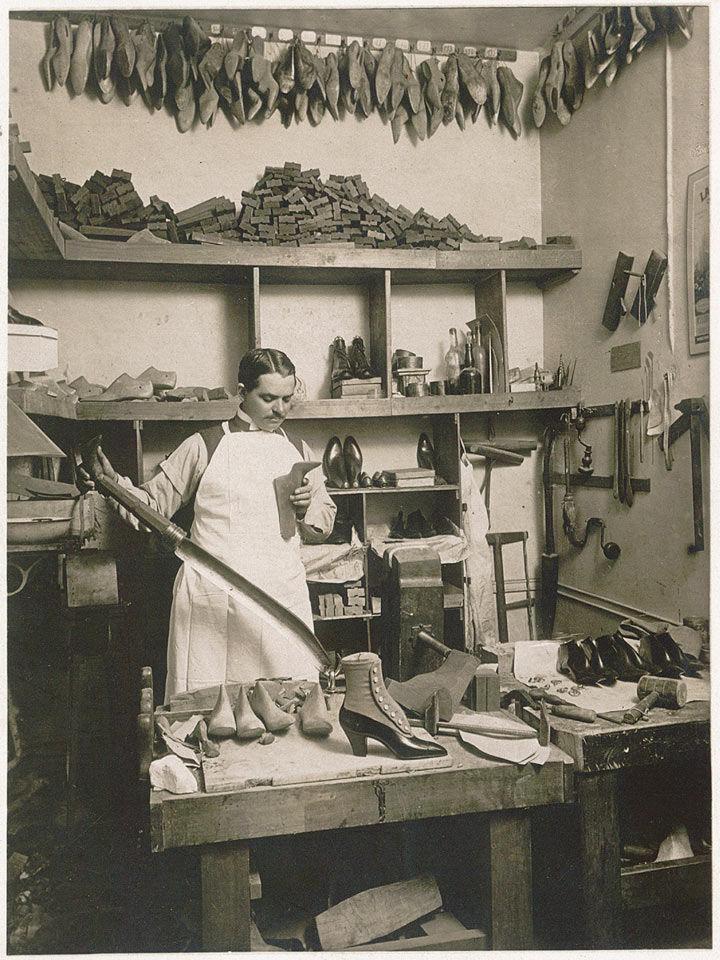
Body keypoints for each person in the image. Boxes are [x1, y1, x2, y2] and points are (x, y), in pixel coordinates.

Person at [83, 348, 336, 697]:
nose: (280, 409)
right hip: (212, 599)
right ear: (241, 392)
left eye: (287, 399)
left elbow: (324, 524)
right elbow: (152, 506)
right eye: (268, 398)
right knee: (207, 708)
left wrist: (306, 510)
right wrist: (114, 485)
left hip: (280, 601)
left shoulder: (299, 449)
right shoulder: (204, 445)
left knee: (292, 705)